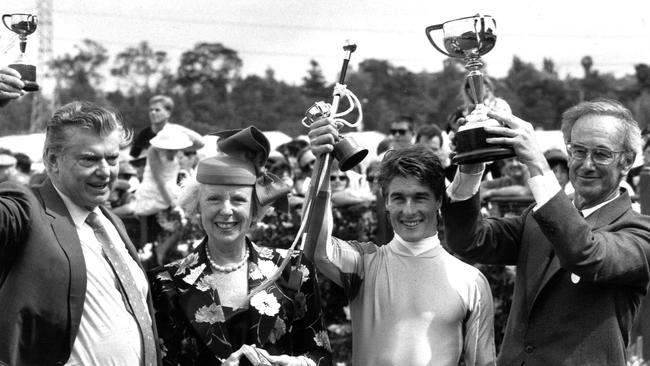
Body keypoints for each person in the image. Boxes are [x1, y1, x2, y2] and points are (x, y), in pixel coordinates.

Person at [442, 99, 650, 365]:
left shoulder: (640, 231)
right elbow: (469, 240)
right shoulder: (537, 217)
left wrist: (538, 164)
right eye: (578, 151)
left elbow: (586, 253)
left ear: (627, 161)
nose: (586, 164)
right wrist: (470, 168)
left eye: (601, 154)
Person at [307, 118, 496, 366]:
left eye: (420, 198)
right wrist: (322, 163)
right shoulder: (365, 264)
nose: (408, 211)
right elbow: (316, 249)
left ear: (438, 201)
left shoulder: (471, 281)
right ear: (386, 202)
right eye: (398, 198)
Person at [149, 126, 332, 366]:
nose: (226, 210)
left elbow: (321, 355)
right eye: (213, 198)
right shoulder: (166, 282)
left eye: (238, 199)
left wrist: (294, 364)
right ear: (197, 206)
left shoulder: (293, 268)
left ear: (255, 209)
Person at [0, 101, 160, 365]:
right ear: (52, 160)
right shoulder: (26, 208)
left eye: (112, 158)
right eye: (89, 159)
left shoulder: (109, 222)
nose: (105, 171)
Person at [129, 94, 177, 158]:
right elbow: (133, 158)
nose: (153, 112)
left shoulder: (175, 134)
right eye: (151, 110)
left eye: (157, 110)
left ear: (168, 113)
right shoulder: (143, 135)